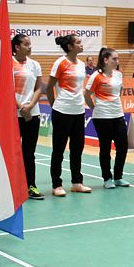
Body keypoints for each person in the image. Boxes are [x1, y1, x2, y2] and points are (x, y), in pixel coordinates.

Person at [48, 34, 91, 197]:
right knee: (58, 149)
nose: (81, 44)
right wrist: (55, 106)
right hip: (62, 111)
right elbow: (49, 87)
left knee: (77, 148)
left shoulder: (81, 64)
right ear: (70, 47)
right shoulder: (60, 63)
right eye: (78, 42)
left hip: (79, 111)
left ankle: (76, 182)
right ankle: (56, 184)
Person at [86, 48, 131, 189]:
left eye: (117, 59)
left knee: (122, 146)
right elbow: (87, 94)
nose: (117, 61)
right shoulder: (96, 76)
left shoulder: (118, 75)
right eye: (114, 59)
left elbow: (120, 91)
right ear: (105, 60)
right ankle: (107, 178)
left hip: (118, 115)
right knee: (105, 148)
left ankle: (118, 176)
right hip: (102, 117)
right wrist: (94, 108)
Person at [12, 34, 45, 200]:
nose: (30, 47)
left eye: (30, 44)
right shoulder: (8, 63)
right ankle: (13, 187)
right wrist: (20, 108)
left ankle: (30, 185)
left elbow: (39, 88)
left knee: (29, 152)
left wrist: (30, 106)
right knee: (13, 153)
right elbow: (6, 89)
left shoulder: (35, 65)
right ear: (17, 47)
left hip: (33, 113)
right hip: (14, 115)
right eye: (26, 44)